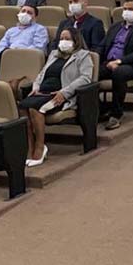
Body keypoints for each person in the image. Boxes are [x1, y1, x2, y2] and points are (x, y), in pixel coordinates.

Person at [20, 27, 93, 168]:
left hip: (59, 94)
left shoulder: (83, 56)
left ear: (76, 41)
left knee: (35, 108)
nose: (63, 41)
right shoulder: (54, 54)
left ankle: (40, 148)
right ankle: (30, 146)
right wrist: (35, 87)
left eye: (67, 39)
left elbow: (85, 78)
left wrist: (64, 92)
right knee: (22, 107)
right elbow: (42, 73)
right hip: (42, 91)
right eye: (61, 39)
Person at [98, 0, 133, 130]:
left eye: (130, 9)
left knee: (119, 72)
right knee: (89, 72)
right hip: (109, 63)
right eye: (124, 9)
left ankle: (116, 115)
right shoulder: (115, 27)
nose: (126, 12)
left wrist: (120, 61)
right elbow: (102, 46)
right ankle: (101, 110)